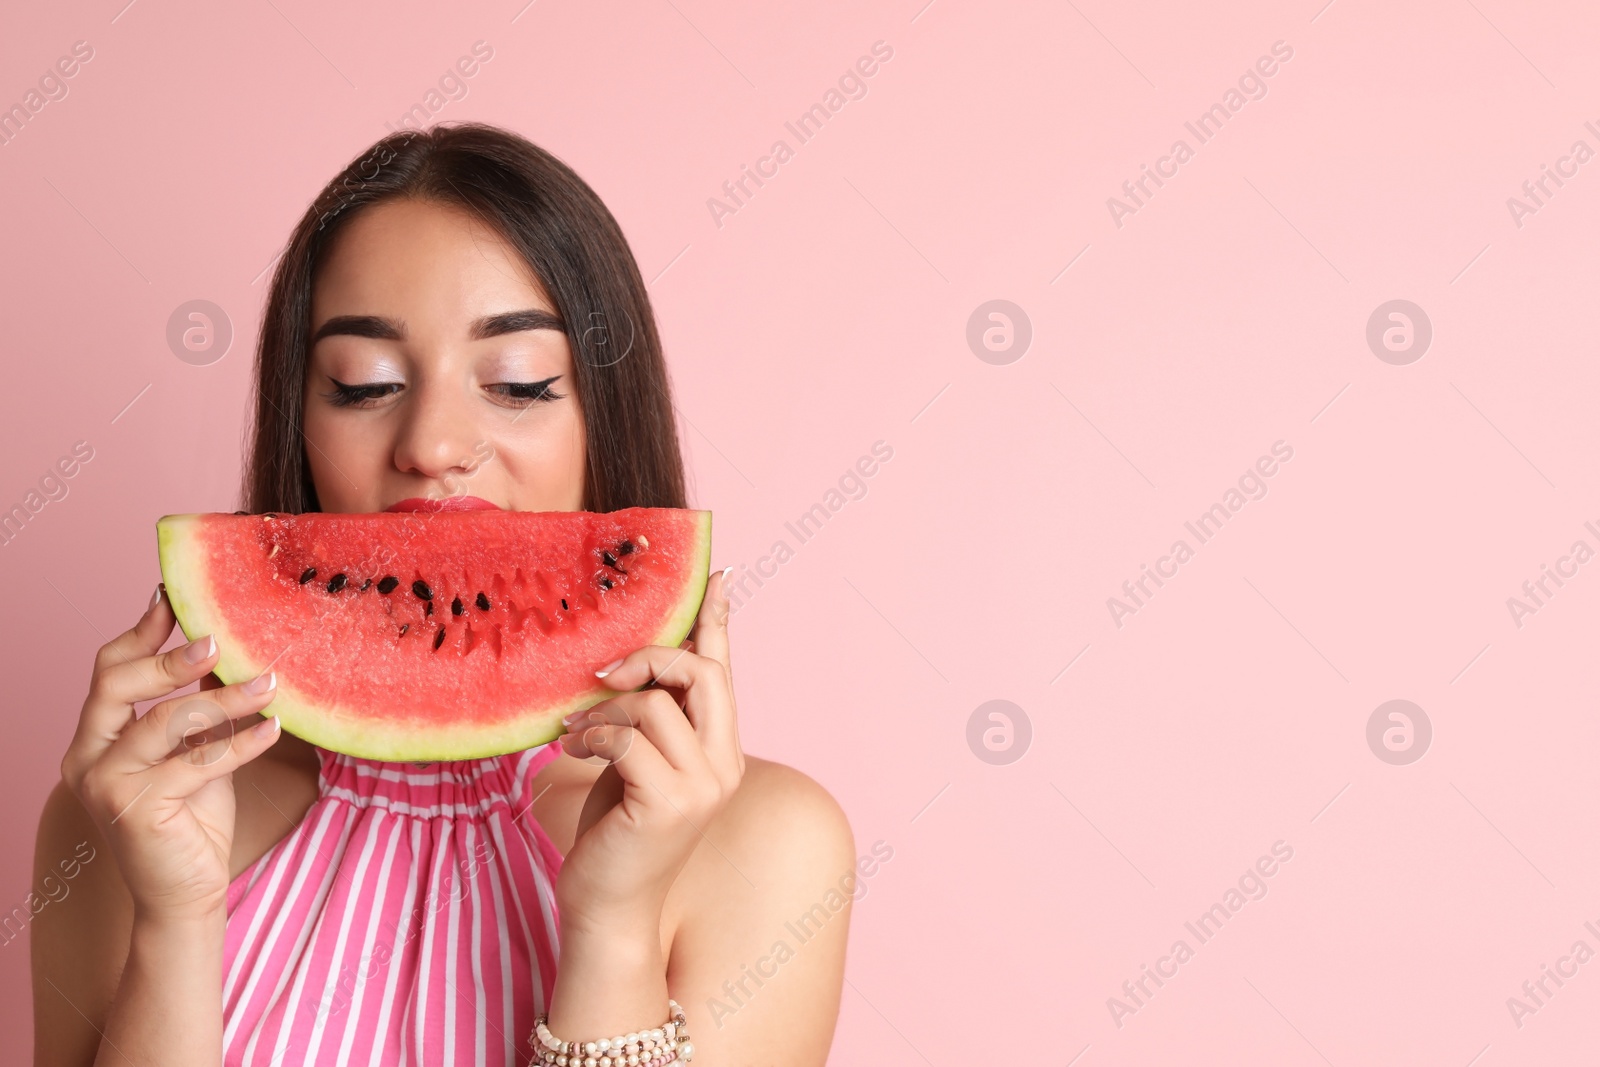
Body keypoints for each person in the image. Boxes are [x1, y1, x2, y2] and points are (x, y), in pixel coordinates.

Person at [31, 122, 855, 1066]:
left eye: (518, 381)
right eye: (365, 382)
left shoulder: (769, 845)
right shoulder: (130, 815)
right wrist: (175, 920)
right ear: (298, 422)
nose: (431, 442)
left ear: (603, 413)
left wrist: (613, 926)